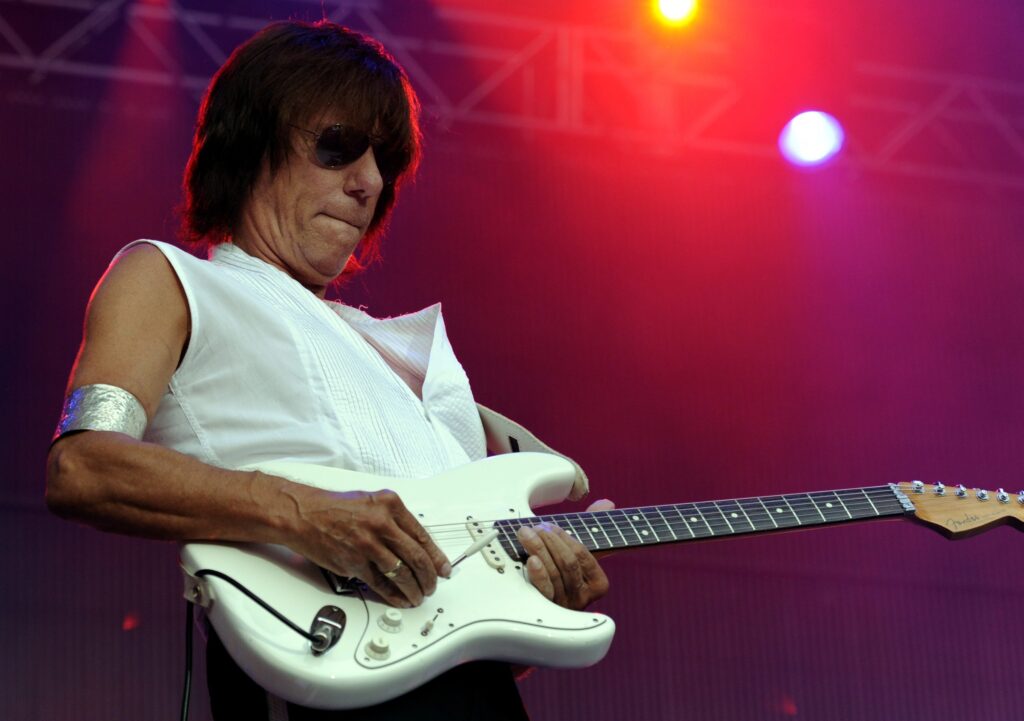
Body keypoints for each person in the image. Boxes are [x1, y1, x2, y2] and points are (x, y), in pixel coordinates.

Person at [45, 19, 612, 721]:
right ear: (250, 143)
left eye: (384, 161)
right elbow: (84, 466)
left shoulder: (411, 360)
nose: (370, 181)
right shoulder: (172, 278)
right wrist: (305, 512)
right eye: (337, 146)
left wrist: (535, 600)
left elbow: (452, 630)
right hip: (299, 686)